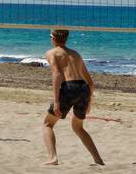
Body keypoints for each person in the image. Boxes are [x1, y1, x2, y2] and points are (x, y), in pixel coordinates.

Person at [42, 28, 104, 165]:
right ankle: (98, 160)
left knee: (48, 124)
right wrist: (89, 103)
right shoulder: (76, 54)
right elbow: (90, 82)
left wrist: (56, 101)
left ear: (53, 38)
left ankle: (53, 158)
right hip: (83, 89)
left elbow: (57, 74)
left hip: (69, 88)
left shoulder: (51, 53)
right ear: (66, 38)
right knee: (78, 127)